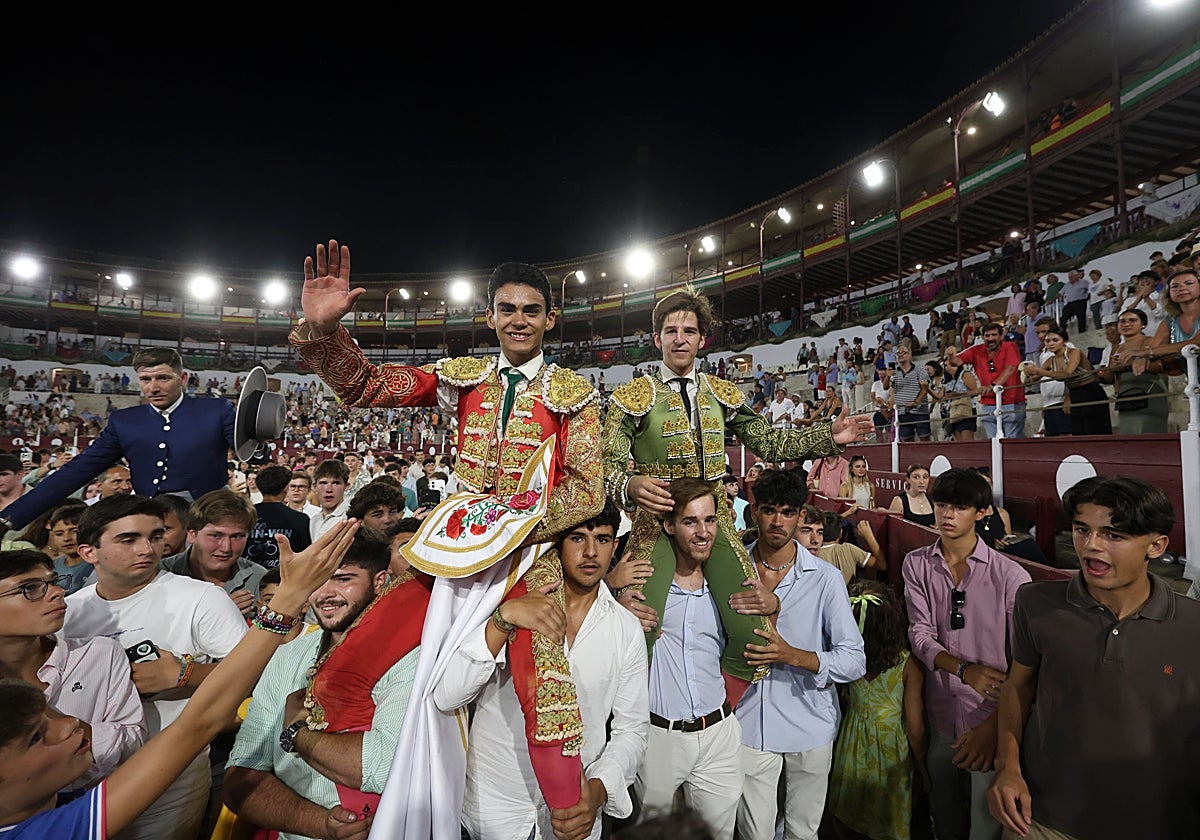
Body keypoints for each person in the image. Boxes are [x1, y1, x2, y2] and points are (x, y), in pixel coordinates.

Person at [289, 241, 604, 838]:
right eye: (507, 309)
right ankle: (367, 818)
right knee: (339, 678)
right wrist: (325, 333)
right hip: (451, 556)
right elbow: (365, 386)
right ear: (489, 316)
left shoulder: (575, 394)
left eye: (531, 310)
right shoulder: (462, 380)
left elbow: (587, 491)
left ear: (549, 320)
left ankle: (568, 819)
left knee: (549, 696)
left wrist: (506, 524)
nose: (518, 320)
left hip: (525, 558)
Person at [0, 517, 359, 839]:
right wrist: (288, 598)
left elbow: (150, 735)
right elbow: (198, 724)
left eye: (51, 582)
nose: (67, 725)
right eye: (34, 737)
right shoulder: (53, 829)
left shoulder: (103, 649)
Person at [601, 287, 868, 707]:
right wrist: (631, 486)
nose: (679, 338)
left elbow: (770, 443)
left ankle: (717, 713)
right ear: (657, 339)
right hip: (658, 522)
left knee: (751, 631)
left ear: (702, 338)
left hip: (714, 520)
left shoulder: (721, 394)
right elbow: (607, 461)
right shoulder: (634, 397)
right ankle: (636, 724)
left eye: (689, 330)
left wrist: (826, 437)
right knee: (641, 626)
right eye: (670, 330)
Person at [988, 476, 1200, 840]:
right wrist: (1007, 767)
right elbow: (1018, 688)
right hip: (1041, 821)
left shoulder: (1193, 626)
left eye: (1113, 535)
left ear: (1156, 546)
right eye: (1082, 530)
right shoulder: (1035, 603)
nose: (1091, 546)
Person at [434, 501, 648, 840]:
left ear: (616, 546)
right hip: (495, 808)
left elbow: (632, 730)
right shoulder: (512, 604)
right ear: (557, 545)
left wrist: (597, 791)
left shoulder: (626, 629)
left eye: (603, 540)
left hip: (574, 814)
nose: (591, 552)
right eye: (578, 539)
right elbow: (448, 696)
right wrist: (502, 622)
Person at [63, 495, 255, 840]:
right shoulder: (67, 612)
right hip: (81, 777)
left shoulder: (201, 598)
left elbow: (257, 677)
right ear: (88, 552)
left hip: (171, 777)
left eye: (154, 536)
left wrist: (185, 675)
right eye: (128, 539)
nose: (148, 549)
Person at [224, 529, 421, 840]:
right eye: (319, 580)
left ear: (380, 581)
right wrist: (321, 824)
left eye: (343, 579)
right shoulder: (288, 656)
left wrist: (296, 732)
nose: (325, 593)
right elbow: (239, 779)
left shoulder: (411, 656)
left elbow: (382, 771)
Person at [625, 478, 776, 839]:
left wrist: (775, 604)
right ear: (669, 525)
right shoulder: (642, 591)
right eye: (691, 522)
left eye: (710, 521)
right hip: (659, 735)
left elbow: (757, 637)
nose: (703, 532)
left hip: (719, 734)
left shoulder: (730, 589)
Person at [734, 469, 866, 840]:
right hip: (747, 722)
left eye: (788, 512)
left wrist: (793, 655)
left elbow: (854, 659)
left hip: (810, 723)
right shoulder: (731, 571)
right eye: (770, 511)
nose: (778, 521)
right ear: (754, 511)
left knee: (803, 832)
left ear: (801, 516)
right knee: (753, 834)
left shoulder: (824, 578)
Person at [902, 469, 1032, 840]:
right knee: (945, 822)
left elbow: (1024, 663)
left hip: (990, 719)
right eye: (941, 504)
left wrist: (995, 728)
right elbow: (920, 633)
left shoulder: (1011, 576)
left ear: (981, 513)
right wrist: (963, 670)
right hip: (941, 711)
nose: (946, 514)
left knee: (985, 829)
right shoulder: (917, 563)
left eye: (959, 507)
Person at [0, 347, 237, 533]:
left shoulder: (216, 409)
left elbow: (248, 449)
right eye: (145, 379)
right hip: (149, 517)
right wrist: (11, 517)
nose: (153, 387)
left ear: (183, 378)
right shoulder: (124, 421)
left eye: (163, 378)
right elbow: (77, 471)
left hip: (209, 515)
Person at [0, 548, 146, 790]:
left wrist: (40, 712)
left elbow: (131, 745)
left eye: (54, 582)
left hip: (94, 811)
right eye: (30, 588)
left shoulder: (99, 654)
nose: (58, 592)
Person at [827, 579, 926, 840]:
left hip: (851, 747)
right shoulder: (908, 665)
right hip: (892, 753)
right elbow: (915, 730)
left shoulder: (845, 660)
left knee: (847, 817)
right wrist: (924, 767)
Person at [161, 488, 266, 619]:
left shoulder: (259, 578)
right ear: (192, 534)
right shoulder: (161, 575)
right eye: (215, 535)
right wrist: (222, 613)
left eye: (237, 536)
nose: (226, 548)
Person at [1097, 308, 1170, 433]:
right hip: (1126, 396)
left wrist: (1131, 364)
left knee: (1150, 431)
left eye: (1132, 320)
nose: (1126, 324)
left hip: (1150, 392)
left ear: (1143, 324)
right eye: (1122, 321)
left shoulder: (1152, 341)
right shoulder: (1118, 348)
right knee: (1129, 434)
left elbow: (1161, 366)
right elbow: (1109, 378)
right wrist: (1110, 369)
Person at [949, 322, 1027, 439]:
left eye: (994, 335)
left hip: (1012, 401)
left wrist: (992, 386)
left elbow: (1010, 369)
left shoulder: (1010, 346)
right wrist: (951, 355)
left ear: (1001, 336)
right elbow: (957, 362)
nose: (990, 338)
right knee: (993, 442)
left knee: (1013, 440)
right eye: (987, 336)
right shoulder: (976, 350)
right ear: (982, 337)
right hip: (988, 403)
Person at [1032, 326, 1112, 436]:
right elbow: (1033, 378)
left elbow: (1067, 374)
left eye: (1055, 340)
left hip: (1090, 392)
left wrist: (1040, 372)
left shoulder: (1074, 352)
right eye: (1048, 341)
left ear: (1065, 341)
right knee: (1079, 433)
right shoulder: (1051, 360)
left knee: (1095, 432)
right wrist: (1028, 373)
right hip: (1075, 394)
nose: (1051, 344)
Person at [245, 464, 312, 569]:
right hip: (286, 579)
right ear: (286, 488)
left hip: (247, 577)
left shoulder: (243, 515)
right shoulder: (300, 519)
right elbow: (304, 558)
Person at [816, 509, 886, 586]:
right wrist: (869, 536)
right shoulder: (848, 549)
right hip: (846, 597)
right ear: (841, 533)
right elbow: (882, 565)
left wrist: (848, 512)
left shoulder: (811, 553)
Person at [890, 342, 931, 442]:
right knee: (906, 440)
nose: (900, 355)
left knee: (924, 438)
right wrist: (887, 377)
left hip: (919, 411)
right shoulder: (894, 372)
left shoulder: (920, 369)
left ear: (910, 355)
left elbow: (925, 388)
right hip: (902, 412)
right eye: (898, 353)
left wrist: (916, 402)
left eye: (903, 353)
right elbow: (887, 387)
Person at [310, 458, 351, 542]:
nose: (329, 489)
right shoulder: (314, 520)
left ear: (346, 486)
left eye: (336, 483)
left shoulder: (350, 518)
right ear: (315, 486)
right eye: (323, 483)